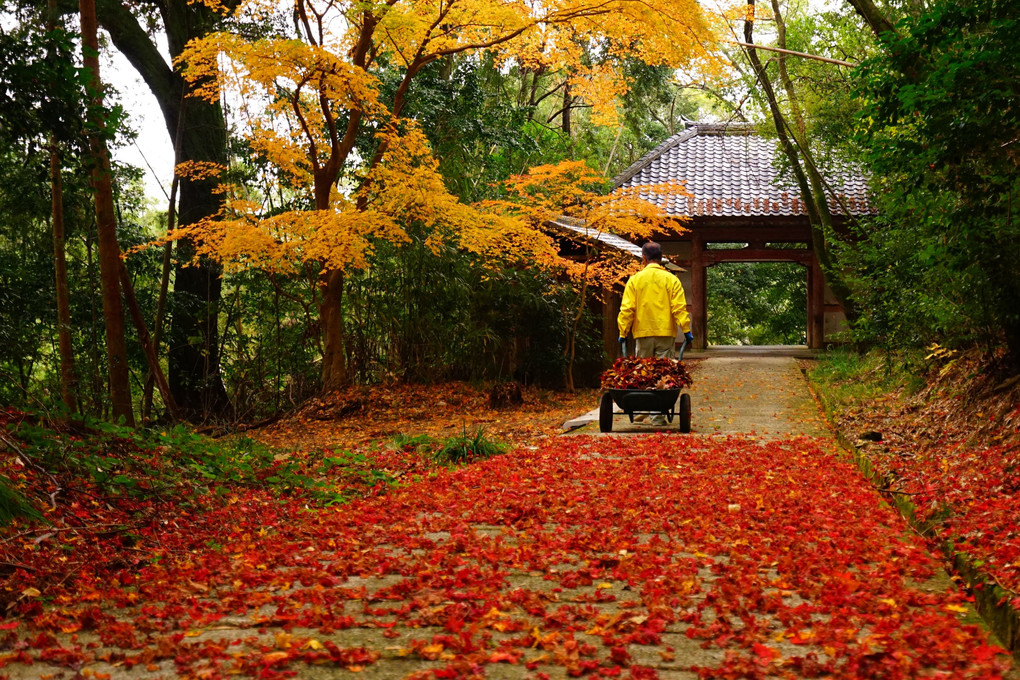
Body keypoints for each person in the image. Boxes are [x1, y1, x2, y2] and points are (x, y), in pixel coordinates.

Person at [617, 241, 693, 425]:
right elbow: (679, 308)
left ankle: (644, 407)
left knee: (643, 372)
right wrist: (686, 330)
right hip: (665, 333)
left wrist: (622, 330)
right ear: (661, 259)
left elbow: (627, 308)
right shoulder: (671, 279)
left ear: (644, 258)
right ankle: (656, 416)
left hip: (642, 333)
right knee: (661, 374)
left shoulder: (635, 280)